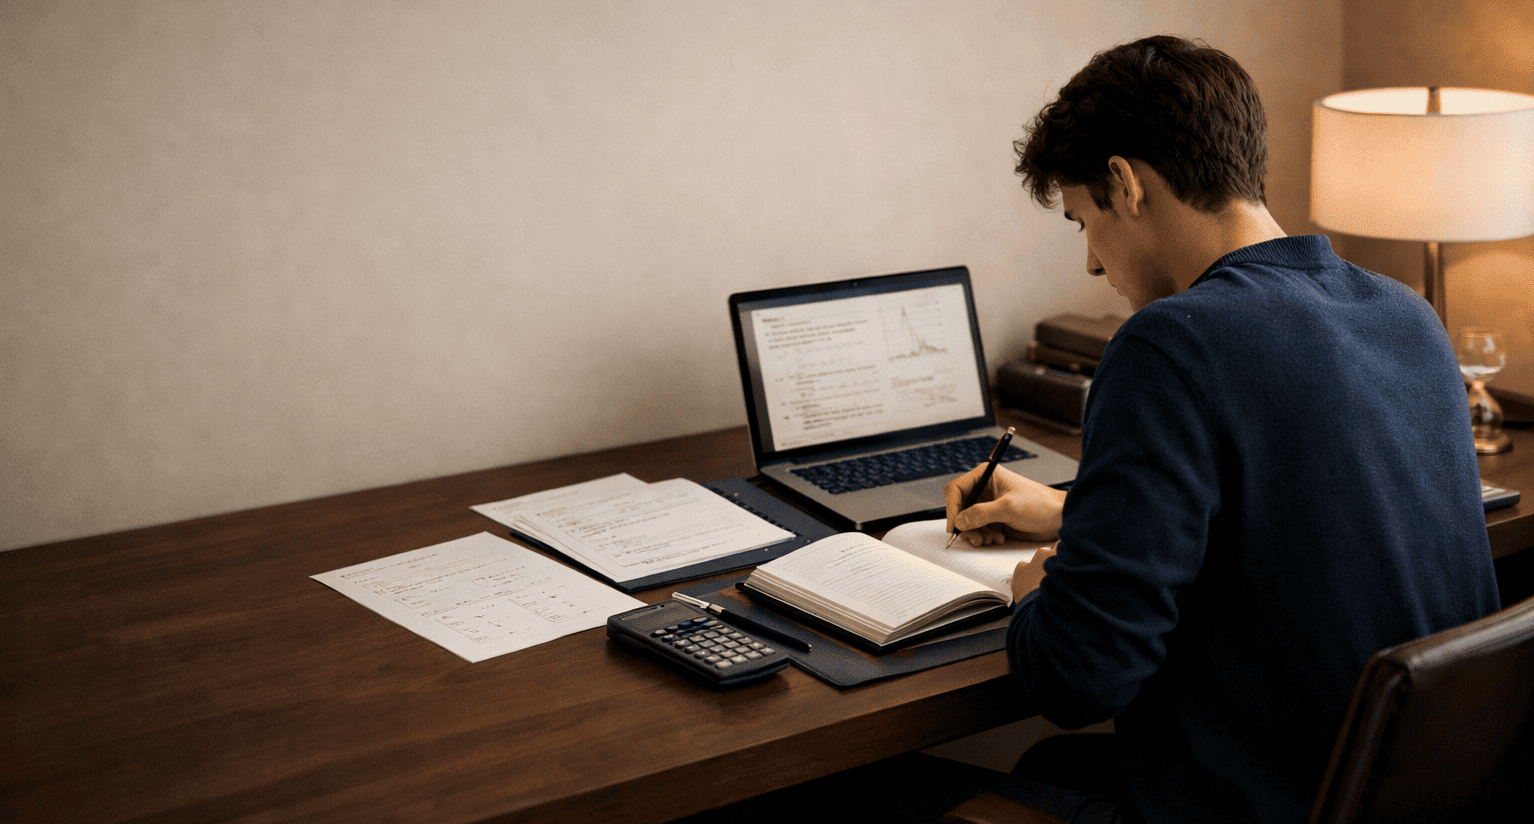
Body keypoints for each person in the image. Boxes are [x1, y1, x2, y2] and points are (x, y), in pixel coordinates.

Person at [944, 35, 1500, 824]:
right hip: (1406, 789)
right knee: (1047, 768)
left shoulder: (1169, 344)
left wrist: (1034, 598)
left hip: (1263, 800)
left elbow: (1078, 678)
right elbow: (1305, 517)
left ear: (1126, 183)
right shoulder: (1405, 313)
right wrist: (1079, 517)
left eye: (1081, 223)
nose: (1095, 268)